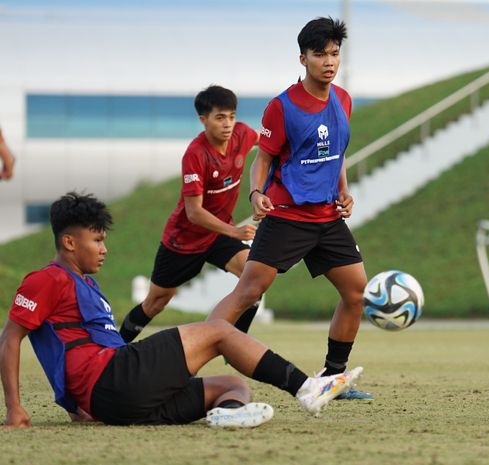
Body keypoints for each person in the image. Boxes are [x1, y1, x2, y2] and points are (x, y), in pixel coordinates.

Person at [1, 192, 363, 428]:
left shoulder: (88, 285)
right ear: (68, 241)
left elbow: (66, 347)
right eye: (96, 240)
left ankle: (230, 416)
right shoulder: (47, 279)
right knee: (218, 331)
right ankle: (306, 388)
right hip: (113, 380)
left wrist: (73, 402)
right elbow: (11, 339)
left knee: (233, 385)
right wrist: (14, 407)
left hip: (118, 400)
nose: (103, 249)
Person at [206, 17, 372, 401]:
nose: (329, 62)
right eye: (320, 54)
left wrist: (345, 192)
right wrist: (256, 194)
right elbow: (261, 159)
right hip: (287, 215)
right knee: (249, 291)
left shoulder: (343, 99)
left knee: (356, 293)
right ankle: (184, 355)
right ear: (303, 59)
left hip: (328, 219)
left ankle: (333, 378)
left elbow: (336, 154)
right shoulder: (281, 107)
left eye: (334, 54)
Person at [119, 85, 261, 343]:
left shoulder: (242, 135)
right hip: (184, 240)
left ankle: (237, 345)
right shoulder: (196, 155)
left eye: (232, 116)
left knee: (255, 277)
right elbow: (194, 212)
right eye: (220, 117)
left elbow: (269, 143)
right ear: (203, 120)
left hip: (218, 234)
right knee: (155, 302)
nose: (228, 124)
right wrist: (234, 231)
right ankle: (113, 350)